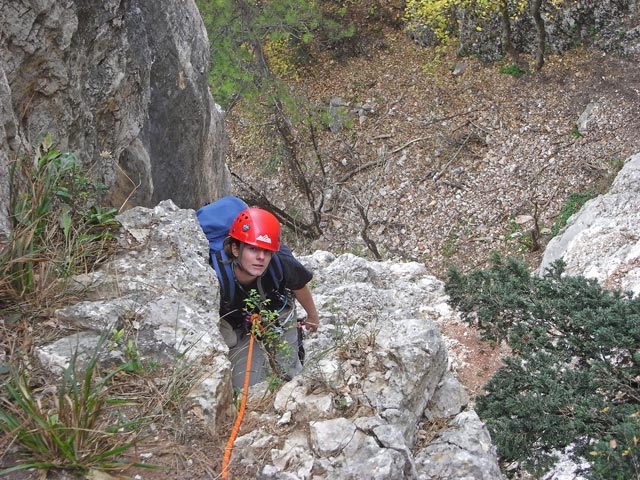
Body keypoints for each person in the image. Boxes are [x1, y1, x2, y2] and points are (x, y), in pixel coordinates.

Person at [217, 207, 319, 389]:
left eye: (266, 251)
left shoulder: (281, 262)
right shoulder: (217, 276)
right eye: (252, 249)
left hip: (274, 307)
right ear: (235, 249)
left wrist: (312, 316)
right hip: (236, 323)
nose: (261, 257)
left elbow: (299, 285)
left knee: (290, 370)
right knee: (249, 386)